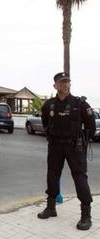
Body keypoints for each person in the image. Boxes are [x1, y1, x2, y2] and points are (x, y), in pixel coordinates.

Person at [38, 72, 95, 231]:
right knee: (52, 174)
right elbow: (45, 123)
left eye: (67, 82)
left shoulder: (80, 104)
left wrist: (82, 143)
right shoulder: (49, 105)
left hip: (74, 147)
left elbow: (91, 127)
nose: (65, 85)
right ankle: (51, 207)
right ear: (55, 85)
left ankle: (86, 215)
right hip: (55, 146)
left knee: (80, 178)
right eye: (62, 82)